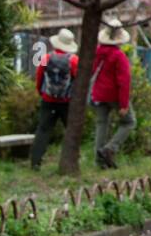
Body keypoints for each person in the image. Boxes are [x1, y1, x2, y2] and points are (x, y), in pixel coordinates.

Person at [30, 28, 79, 171]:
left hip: (48, 99)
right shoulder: (74, 61)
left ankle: (35, 162)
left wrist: (41, 92)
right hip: (66, 102)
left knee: (43, 130)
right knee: (70, 130)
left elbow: (39, 77)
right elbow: (78, 81)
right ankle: (71, 159)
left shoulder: (46, 58)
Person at [90, 18, 135, 170]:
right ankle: (110, 149)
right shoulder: (119, 56)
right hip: (114, 95)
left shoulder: (97, 52)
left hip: (98, 94)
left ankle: (99, 161)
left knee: (101, 125)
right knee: (129, 122)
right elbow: (124, 81)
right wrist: (123, 104)